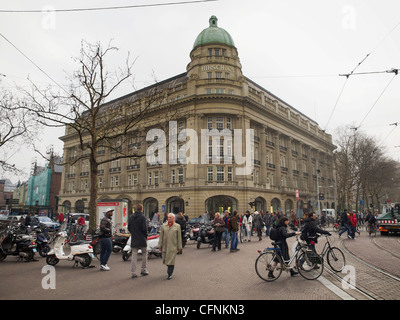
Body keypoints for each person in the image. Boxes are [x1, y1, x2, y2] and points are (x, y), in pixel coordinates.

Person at [158, 213, 182, 280]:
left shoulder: (177, 226)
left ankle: (169, 273)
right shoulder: (164, 226)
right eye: (168, 217)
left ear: (173, 218)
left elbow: (179, 238)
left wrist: (179, 247)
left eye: (170, 217)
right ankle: (169, 269)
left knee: (171, 261)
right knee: (165, 260)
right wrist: (159, 245)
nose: (169, 219)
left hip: (173, 247)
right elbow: (161, 237)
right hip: (165, 246)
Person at [128, 204, 149, 278]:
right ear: (142, 209)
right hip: (142, 238)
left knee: (134, 255)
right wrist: (146, 235)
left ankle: (133, 272)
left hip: (134, 238)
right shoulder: (142, 217)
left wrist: (133, 233)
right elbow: (144, 229)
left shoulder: (131, 217)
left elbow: (129, 227)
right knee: (144, 253)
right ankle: (143, 269)